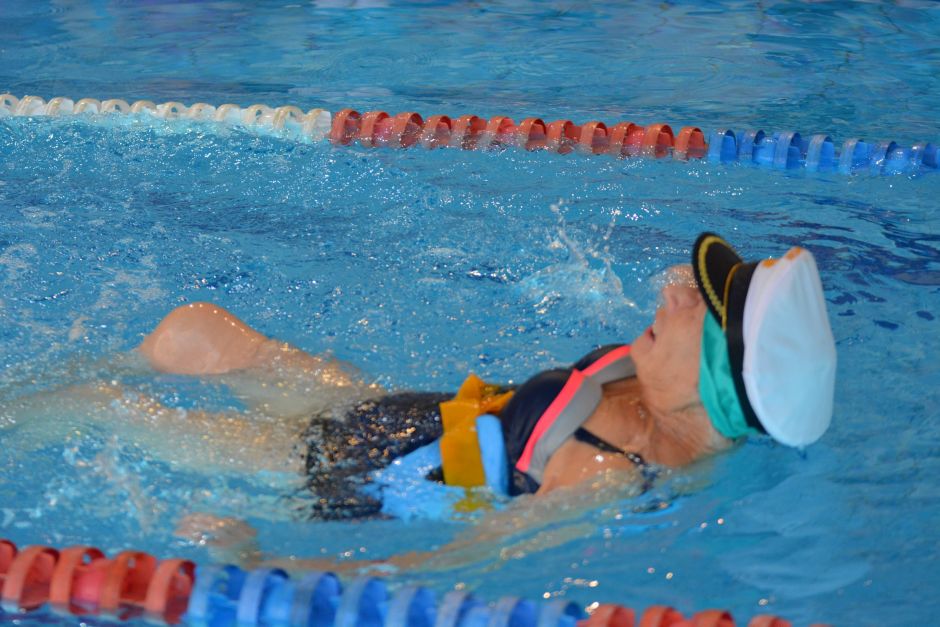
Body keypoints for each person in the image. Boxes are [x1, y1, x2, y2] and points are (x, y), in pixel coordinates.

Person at [133, 231, 837, 525]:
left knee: (113, 412)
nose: (678, 296)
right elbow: (685, 292)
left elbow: (468, 560)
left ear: (715, 382)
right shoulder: (663, 387)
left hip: (340, 475)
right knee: (198, 328)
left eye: (701, 307)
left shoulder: (606, 473)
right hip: (399, 416)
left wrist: (265, 571)